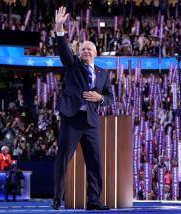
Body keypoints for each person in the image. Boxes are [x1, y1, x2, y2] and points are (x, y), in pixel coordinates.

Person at [52, 6, 113, 210]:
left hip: (92, 122)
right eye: (83, 49)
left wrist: (100, 98)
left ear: (96, 53)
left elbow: (110, 98)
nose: (86, 51)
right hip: (72, 118)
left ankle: (94, 200)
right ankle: (57, 199)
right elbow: (64, 51)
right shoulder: (73, 65)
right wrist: (59, 28)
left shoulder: (104, 74)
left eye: (89, 49)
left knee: (95, 163)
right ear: (79, 53)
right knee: (63, 159)